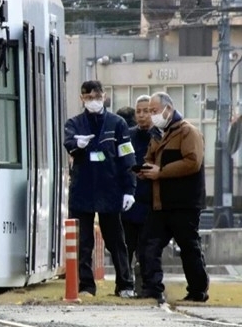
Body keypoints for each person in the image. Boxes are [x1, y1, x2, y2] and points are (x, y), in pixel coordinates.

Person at [63, 80, 136, 298]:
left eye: (96, 96)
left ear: (104, 96)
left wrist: (129, 190)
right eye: (88, 97)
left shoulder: (118, 123)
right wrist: (78, 145)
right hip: (82, 190)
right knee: (83, 243)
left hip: (110, 189)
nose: (93, 101)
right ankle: (86, 287)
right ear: (81, 99)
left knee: (116, 241)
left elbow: (127, 157)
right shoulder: (74, 123)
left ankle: (125, 284)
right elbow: (68, 142)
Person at [137, 92, 209, 303]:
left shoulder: (188, 132)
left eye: (154, 110)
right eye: (149, 111)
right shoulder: (158, 134)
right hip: (160, 203)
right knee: (148, 244)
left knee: (189, 247)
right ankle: (152, 289)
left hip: (184, 203)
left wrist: (162, 171)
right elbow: (150, 158)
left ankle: (198, 291)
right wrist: (145, 169)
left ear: (168, 109)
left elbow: (192, 162)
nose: (151, 115)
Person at [119, 95, 152, 294]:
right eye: (138, 111)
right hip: (128, 202)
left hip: (151, 203)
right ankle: (123, 285)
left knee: (147, 250)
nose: (141, 115)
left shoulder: (160, 136)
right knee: (125, 247)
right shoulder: (128, 136)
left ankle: (146, 287)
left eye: (146, 111)